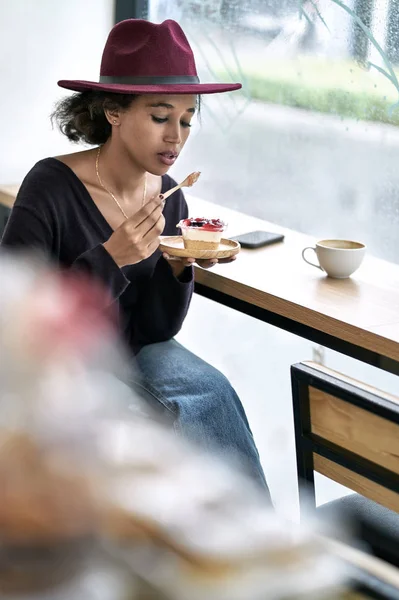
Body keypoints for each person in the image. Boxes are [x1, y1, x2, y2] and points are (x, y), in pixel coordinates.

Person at [1, 18, 270, 497]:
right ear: (113, 111)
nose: (177, 137)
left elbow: (156, 331)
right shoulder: (51, 186)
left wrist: (176, 269)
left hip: (132, 352)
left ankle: (247, 550)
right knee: (185, 404)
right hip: (59, 363)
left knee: (212, 391)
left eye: (187, 120)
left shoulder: (170, 200)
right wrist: (112, 257)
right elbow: (19, 319)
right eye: (160, 116)